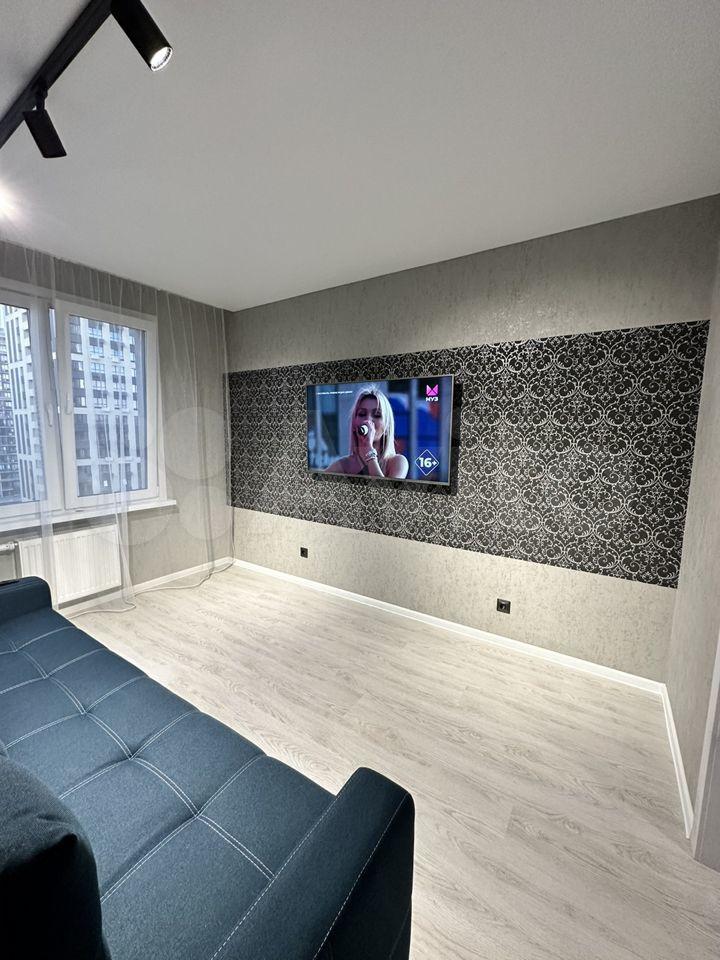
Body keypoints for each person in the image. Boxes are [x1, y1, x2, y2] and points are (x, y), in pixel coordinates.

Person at [325, 385, 409, 479]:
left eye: (377, 415)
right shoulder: (343, 465)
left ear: (387, 427)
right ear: (354, 424)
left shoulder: (397, 462)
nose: (368, 420)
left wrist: (368, 449)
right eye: (362, 414)